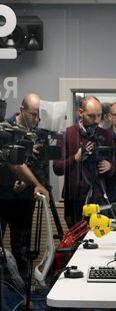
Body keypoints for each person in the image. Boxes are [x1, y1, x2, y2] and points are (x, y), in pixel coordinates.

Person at [0, 92, 50, 284]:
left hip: (23, 201)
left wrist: (31, 181)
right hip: (2, 196)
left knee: (22, 250)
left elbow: (42, 169)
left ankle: (23, 293)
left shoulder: (39, 134)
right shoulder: (5, 130)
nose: (36, 119)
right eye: (33, 114)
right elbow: (10, 162)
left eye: (39, 116)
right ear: (21, 110)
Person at [53, 96, 115, 228]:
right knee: (76, 241)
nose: (96, 120)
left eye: (99, 116)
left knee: (100, 240)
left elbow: (114, 169)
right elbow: (57, 168)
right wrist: (75, 158)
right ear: (81, 113)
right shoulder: (67, 134)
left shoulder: (106, 135)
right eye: (91, 116)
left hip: (99, 196)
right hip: (75, 199)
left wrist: (110, 166)